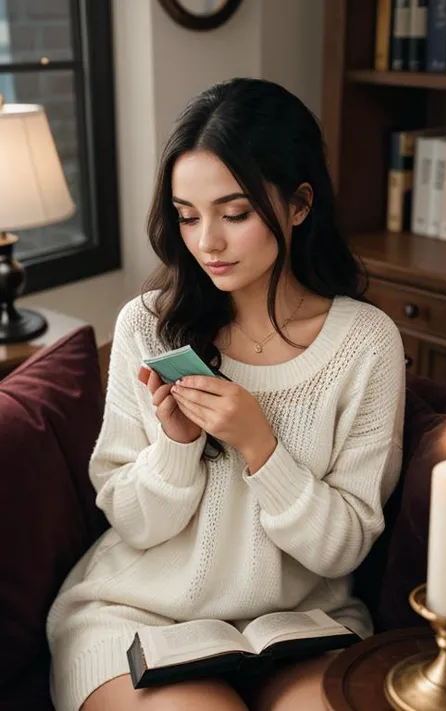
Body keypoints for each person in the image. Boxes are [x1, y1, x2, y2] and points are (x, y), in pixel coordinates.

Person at [47, 77, 405, 711]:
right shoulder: (147, 324)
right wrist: (177, 448)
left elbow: (344, 545)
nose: (207, 241)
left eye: (235, 213)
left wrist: (261, 447)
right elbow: (129, 520)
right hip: (142, 617)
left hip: (299, 629)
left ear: (299, 204)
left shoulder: (366, 344)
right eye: (188, 216)